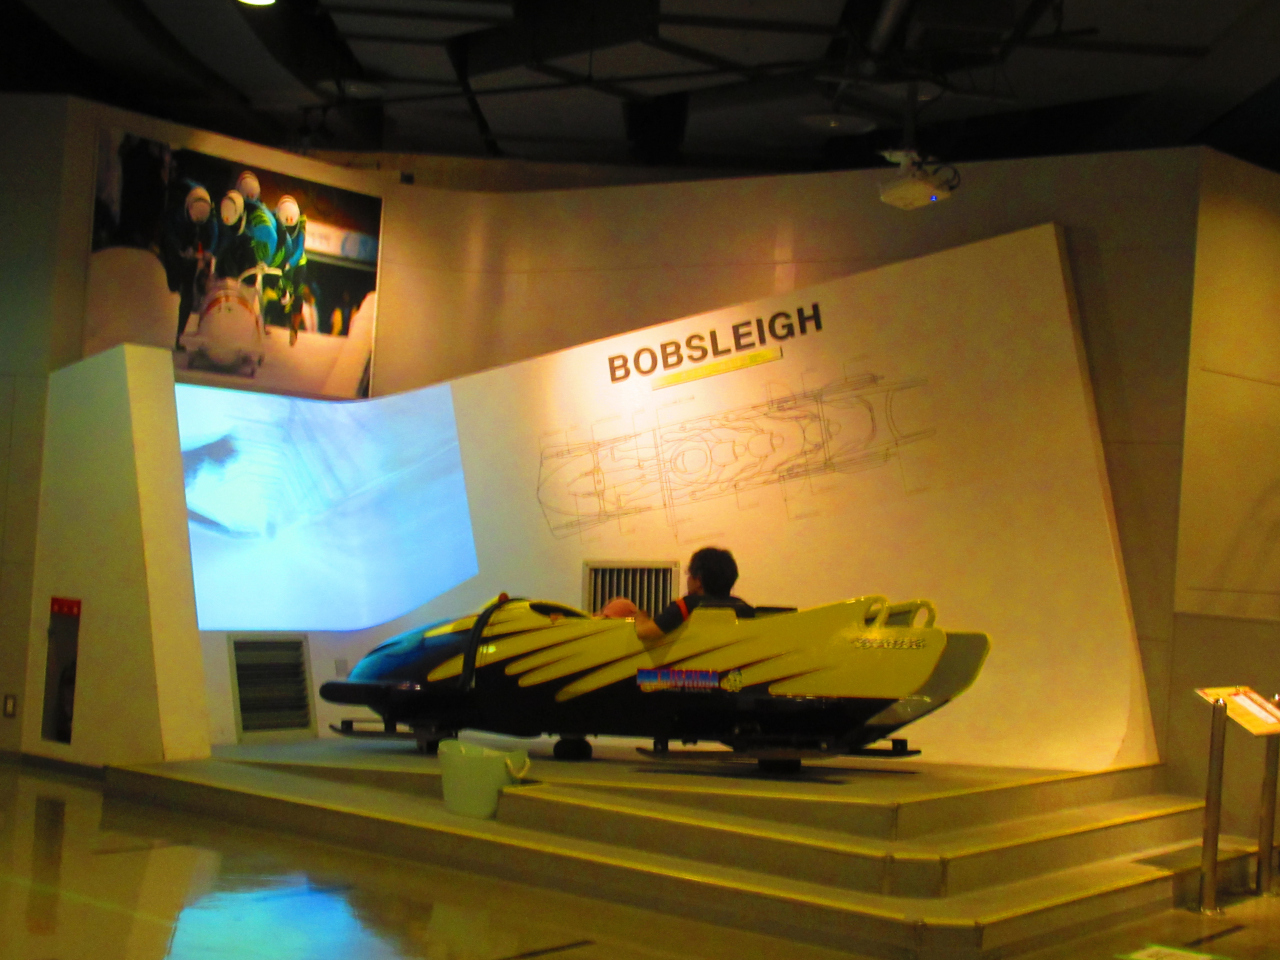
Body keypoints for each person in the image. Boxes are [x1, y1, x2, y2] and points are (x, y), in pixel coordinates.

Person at [603, 547, 752, 641]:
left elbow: (646, 633)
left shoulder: (686, 606)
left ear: (698, 581)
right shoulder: (741, 607)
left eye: (689, 574)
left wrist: (640, 618)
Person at [159, 181, 216, 349]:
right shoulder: (175, 216)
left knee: (188, 292)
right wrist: (179, 250)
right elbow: (168, 234)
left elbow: (213, 233)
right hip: (175, 253)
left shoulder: (207, 218)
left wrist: (208, 251)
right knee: (172, 285)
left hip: (190, 254)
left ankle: (179, 335)